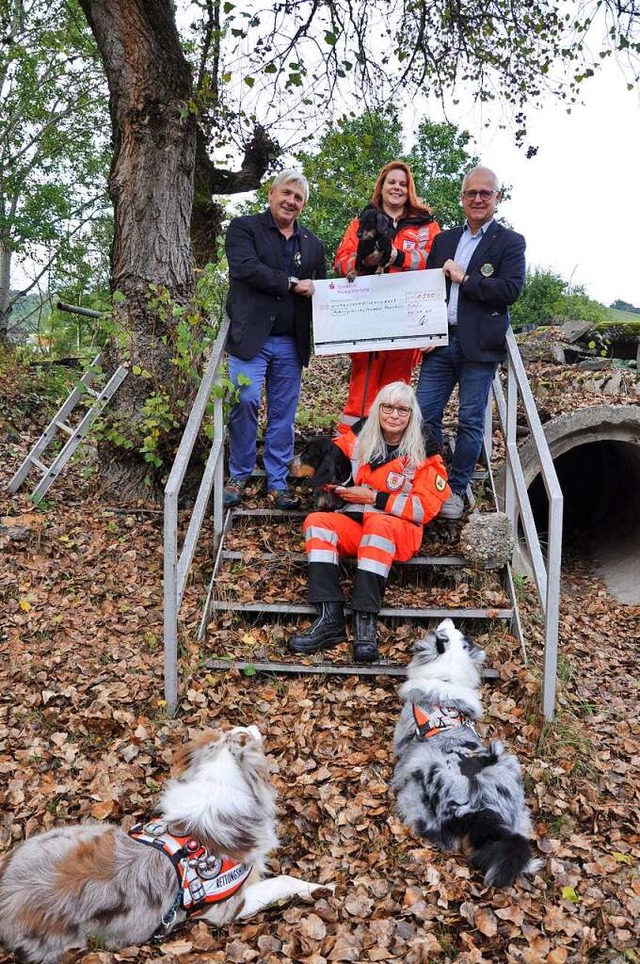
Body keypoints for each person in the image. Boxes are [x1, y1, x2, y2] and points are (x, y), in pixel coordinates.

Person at [288, 381, 451, 663]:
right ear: (377, 409)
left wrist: (375, 498)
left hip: (399, 531)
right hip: (358, 524)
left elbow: (424, 508)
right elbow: (331, 460)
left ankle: (365, 624)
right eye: (387, 407)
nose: (394, 415)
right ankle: (330, 620)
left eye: (402, 409)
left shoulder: (426, 449)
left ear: (412, 415)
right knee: (317, 521)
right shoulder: (359, 435)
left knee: (379, 526)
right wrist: (327, 481)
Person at [416, 166, 526, 520]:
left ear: (497, 198)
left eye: (485, 193)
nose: (477, 199)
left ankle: (458, 489)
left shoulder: (510, 242)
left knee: (470, 421)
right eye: (471, 193)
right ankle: (431, 477)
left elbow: (509, 291)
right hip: (441, 344)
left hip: (480, 347)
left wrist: (466, 279)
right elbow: (428, 290)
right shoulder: (444, 240)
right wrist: (426, 331)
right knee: (422, 415)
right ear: (462, 198)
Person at [223, 170, 327, 510]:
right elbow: (244, 268)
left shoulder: (312, 243)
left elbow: (321, 290)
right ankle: (238, 475)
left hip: (289, 343)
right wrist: (291, 283)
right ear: (271, 193)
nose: (291, 201)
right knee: (246, 401)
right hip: (250, 339)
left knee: (283, 415)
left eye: (298, 198)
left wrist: (317, 291)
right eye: (286, 193)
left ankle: (278, 482)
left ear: (304, 204)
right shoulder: (244, 228)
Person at [334, 161, 440, 432]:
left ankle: (389, 454)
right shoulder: (361, 222)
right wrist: (361, 264)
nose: (397, 187)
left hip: (407, 321)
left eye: (403, 184)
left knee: (396, 390)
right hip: (367, 318)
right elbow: (341, 260)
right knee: (362, 384)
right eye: (391, 182)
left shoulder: (426, 226)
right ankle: (350, 454)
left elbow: (435, 261)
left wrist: (398, 256)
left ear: (410, 189)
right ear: (381, 187)